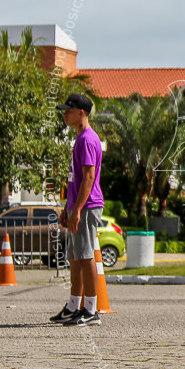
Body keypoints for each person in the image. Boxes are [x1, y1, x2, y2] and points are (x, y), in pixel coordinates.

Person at [49, 93, 105, 326]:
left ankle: (91, 309)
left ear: (81, 112)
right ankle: (73, 305)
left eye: (68, 111)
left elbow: (89, 177)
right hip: (78, 205)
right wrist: (68, 207)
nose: (64, 114)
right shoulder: (80, 138)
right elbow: (77, 178)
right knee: (74, 257)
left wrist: (78, 209)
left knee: (85, 257)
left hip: (88, 205)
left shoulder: (87, 139)